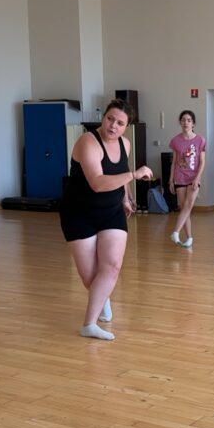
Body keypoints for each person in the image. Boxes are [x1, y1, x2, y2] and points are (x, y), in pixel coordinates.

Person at [60, 99, 153, 340]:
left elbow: (118, 174)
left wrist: (126, 197)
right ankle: (103, 297)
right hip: (79, 213)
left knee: (111, 267)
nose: (113, 126)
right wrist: (134, 174)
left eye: (120, 123)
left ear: (126, 127)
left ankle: (88, 324)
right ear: (104, 117)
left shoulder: (125, 144)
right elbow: (98, 183)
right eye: (110, 119)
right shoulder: (87, 142)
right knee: (90, 276)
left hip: (111, 212)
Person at [168, 110, 206, 248]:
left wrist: (197, 178)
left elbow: (202, 162)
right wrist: (171, 179)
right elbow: (174, 162)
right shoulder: (175, 141)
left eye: (189, 120)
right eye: (183, 120)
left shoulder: (200, 140)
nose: (186, 122)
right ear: (180, 122)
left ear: (193, 123)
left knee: (189, 205)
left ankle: (176, 232)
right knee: (184, 208)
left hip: (193, 178)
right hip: (179, 177)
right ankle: (189, 237)